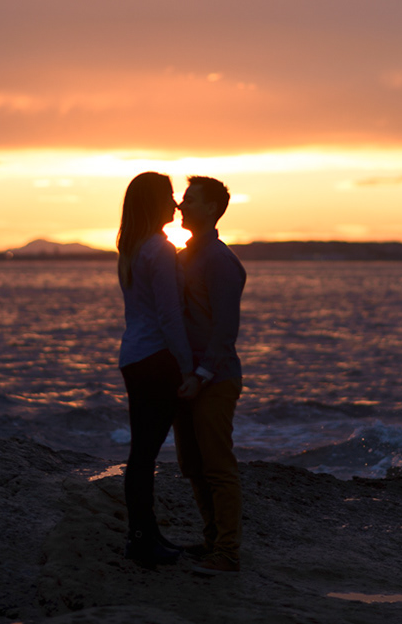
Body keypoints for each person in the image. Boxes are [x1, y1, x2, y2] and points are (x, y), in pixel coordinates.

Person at [116, 171, 193, 567]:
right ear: (152, 202)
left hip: (134, 355)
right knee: (145, 455)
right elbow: (170, 316)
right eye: (169, 195)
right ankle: (142, 540)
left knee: (140, 453)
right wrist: (188, 368)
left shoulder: (131, 248)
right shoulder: (159, 250)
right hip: (156, 360)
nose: (177, 202)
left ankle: (144, 535)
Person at [174, 175, 247, 575]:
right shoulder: (186, 255)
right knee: (191, 464)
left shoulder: (220, 261)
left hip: (214, 380)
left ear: (212, 209)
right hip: (188, 378)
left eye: (188, 199)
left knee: (217, 466)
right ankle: (211, 539)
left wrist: (201, 375)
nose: (180, 205)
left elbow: (225, 331)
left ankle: (228, 552)